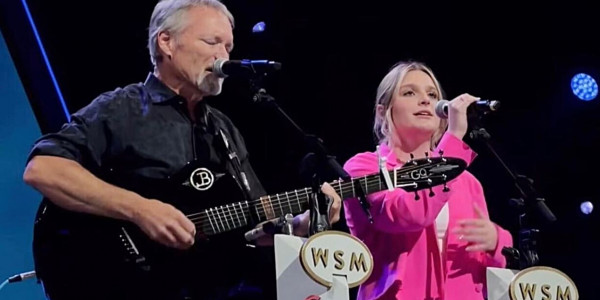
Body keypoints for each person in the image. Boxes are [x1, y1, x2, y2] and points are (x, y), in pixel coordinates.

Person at [22, 1, 341, 299]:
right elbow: (44, 168)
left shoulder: (222, 129)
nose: (223, 56)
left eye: (228, 46)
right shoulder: (122, 109)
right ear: (166, 42)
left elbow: (251, 225)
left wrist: (295, 225)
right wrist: (140, 209)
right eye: (212, 42)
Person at [342, 61, 513, 300]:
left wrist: (496, 240)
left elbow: (486, 267)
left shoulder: (467, 182)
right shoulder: (363, 168)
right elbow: (408, 215)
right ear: (383, 111)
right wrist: (453, 138)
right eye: (409, 92)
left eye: (432, 95)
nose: (425, 100)